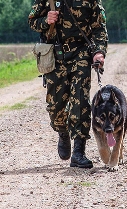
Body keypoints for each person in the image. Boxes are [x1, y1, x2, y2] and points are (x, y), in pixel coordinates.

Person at [28, 0, 108, 168]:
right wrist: (45, 21)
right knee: (55, 106)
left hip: (81, 53)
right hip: (55, 54)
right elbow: (32, 21)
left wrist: (99, 52)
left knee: (81, 101)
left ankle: (79, 152)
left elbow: (99, 26)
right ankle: (63, 132)